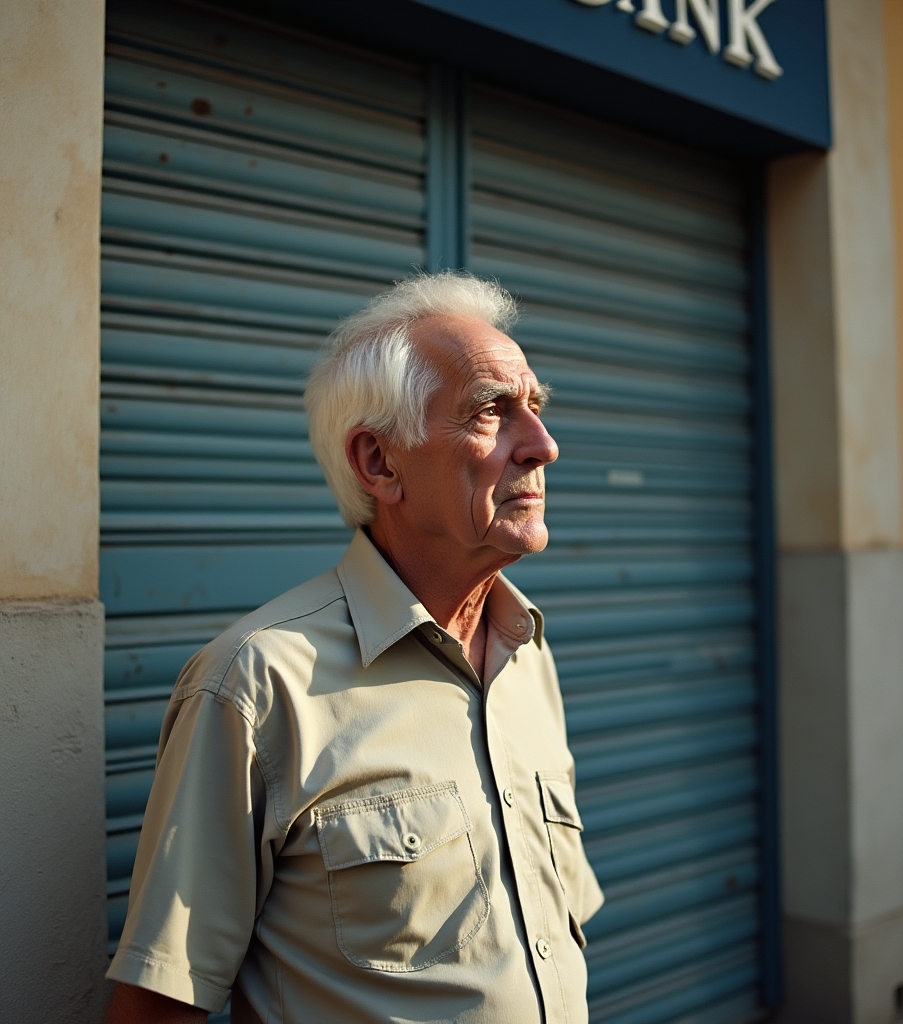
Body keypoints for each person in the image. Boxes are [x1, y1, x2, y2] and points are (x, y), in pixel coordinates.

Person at [105, 272, 604, 1024]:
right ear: (379, 463)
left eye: (534, 407)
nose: (543, 446)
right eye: (491, 412)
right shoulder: (256, 682)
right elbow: (158, 1005)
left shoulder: (524, 650)